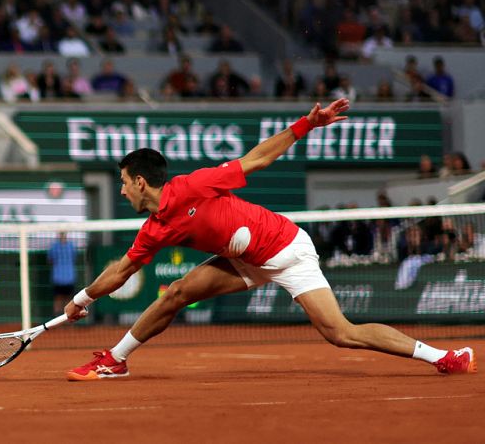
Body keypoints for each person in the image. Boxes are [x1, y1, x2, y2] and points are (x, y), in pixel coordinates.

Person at [63, 98, 476, 380]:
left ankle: (443, 357)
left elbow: (257, 158)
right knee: (176, 293)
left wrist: (306, 124)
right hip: (244, 260)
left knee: (340, 333)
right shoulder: (154, 228)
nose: (121, 192)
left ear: (140, 182)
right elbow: (122, 271)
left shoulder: (195, 185)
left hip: (287, 249)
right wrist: (83, 300)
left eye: (122, 183)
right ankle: (115, 360)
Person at [47, 232, 77, 315]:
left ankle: (68, 320)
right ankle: (57, 321)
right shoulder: (54, 247)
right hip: (58, 278)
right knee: (58, 299)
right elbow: (50, 260)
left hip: (69, 278)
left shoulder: (71, 246)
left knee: (69, 299)